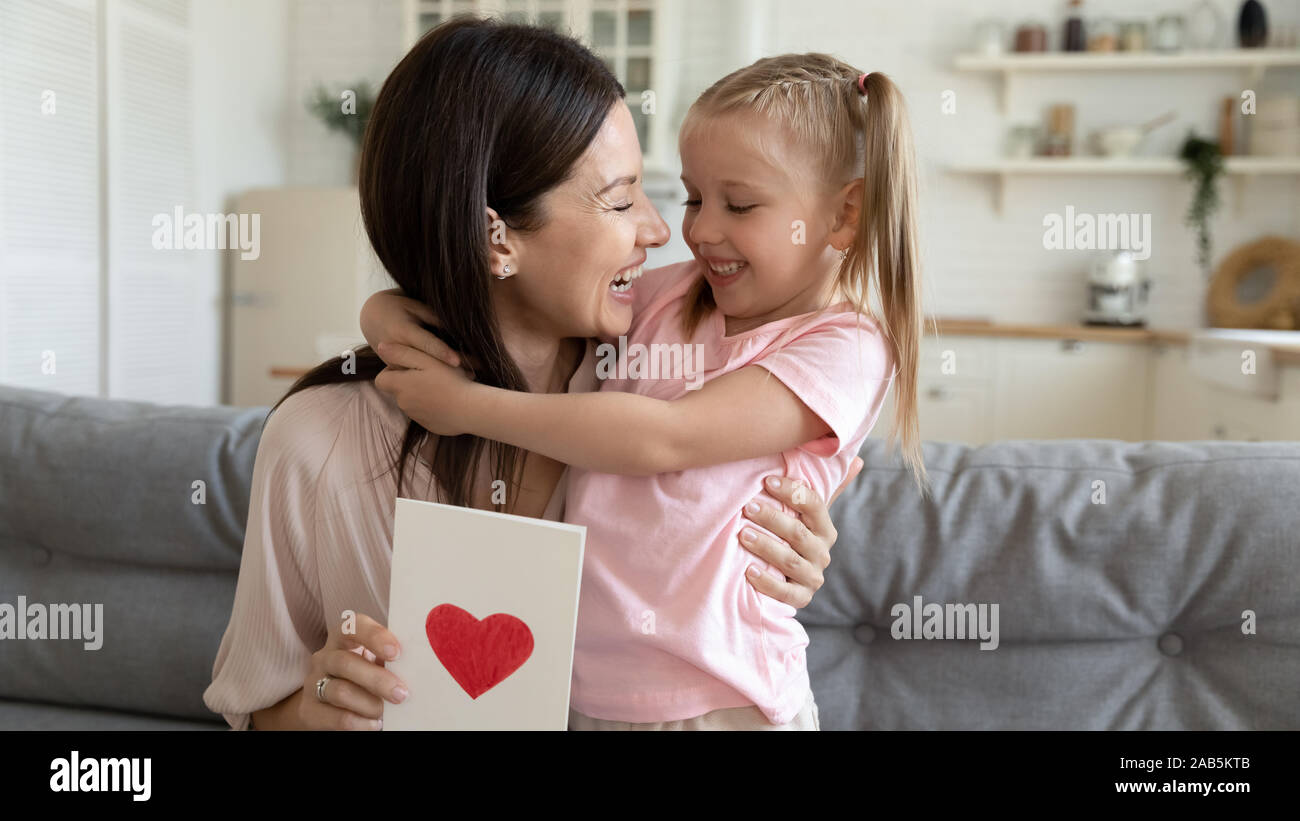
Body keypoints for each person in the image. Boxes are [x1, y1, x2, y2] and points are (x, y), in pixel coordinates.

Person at [202, 18, 853, 731]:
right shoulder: (317, 442)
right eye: (620, 198)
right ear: (496, 237)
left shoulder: (651, 378)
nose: (663, 230)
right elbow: (255, 710)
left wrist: (789, 550)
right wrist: (317, 706)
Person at [367, 54, 931, 730]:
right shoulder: (672, 297)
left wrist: (465, 407)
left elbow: (664, 439)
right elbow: (546, 311)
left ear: (845, 216)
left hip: (721, 700)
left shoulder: (846, 349)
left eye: (740, 204)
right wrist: (384, 310)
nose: (697, 229)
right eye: (695, 197)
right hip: (586, 691)